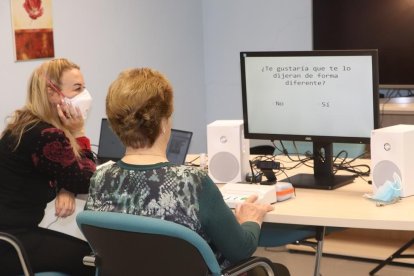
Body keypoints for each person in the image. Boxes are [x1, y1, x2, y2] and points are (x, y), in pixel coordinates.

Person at [84, 67, 290, 276]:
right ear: (164, 124)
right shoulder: (192, 182)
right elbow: (241, 250)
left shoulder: (100, 179)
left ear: (114, 125)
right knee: (277, 271)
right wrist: (250, 220)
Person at [0, 58, 96, 275]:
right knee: (94, 261)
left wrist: (66, 187)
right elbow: (87, 180)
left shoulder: (24, 123)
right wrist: (80, 132)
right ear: (53, 93)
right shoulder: (46, 135)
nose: (85, 95)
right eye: (77, 89)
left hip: (10, 234)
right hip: (11, 242)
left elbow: (62, 171)